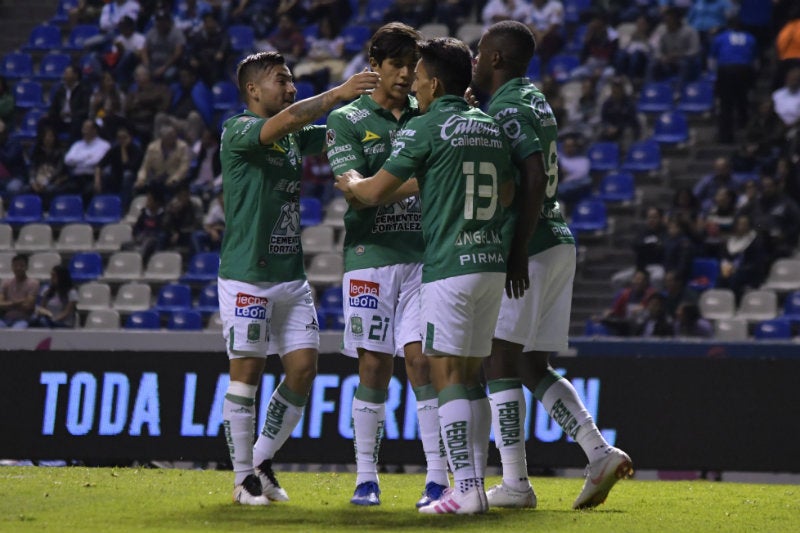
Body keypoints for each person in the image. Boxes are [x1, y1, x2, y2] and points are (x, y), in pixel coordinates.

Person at [336, 37, 516, 515]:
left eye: (418, 78)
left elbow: (372, 193)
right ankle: (470, 484)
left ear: (434, 82)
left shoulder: (424, 127)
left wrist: (353, 182)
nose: (412, 85)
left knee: (445, 373)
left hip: (445, 266)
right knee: (472, 376)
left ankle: (463, 489)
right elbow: (510, 191)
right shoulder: (489, 124)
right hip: (491, 263)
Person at [471, 20, 633, 511]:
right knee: (528, 362)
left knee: (498, 355)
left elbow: (534, 175)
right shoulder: (531, 96)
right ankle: (597, 450)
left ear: (496, 58)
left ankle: (516, 484)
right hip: (557, 238)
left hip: (532, 244)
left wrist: (516, 248)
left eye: (480, 54)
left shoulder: (510, 104)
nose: (476, 62)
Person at [217, 51, 378, 506]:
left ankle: (262, 460)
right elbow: (288, 121)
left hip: (290, 277)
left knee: (303, 370)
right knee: (246, 375)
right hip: (247, 277)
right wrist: (340, 92)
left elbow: (333, 131)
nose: (290, 87)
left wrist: (380, 101)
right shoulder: (239, 129)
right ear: (253, 90)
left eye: (291, 80)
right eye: (281, 80)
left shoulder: (290, 137)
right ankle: (242, 478)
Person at [325, 22, 446, 508]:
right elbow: (357, 201)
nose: (403, 74)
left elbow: (364, 190)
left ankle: (436, 478)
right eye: (395, 64)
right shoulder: (348, 119)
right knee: (374, 365)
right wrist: (421, 179)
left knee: (421, 361)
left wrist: (371, 187)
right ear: (374, 66)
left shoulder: (428, 112)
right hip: (369, 257)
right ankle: (366, 477)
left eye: (410, 66)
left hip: (423, 255)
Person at [709, 18, 758, 144]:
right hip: (744, 70)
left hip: (726, 70)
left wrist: (714, 75)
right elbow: (755, 61)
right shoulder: (750, 38)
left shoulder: (720, 37)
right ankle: (747, 134)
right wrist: (753, 77)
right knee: (743, 102)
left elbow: (712, 60)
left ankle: (726, 137)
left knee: (726, 105)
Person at [63, 119, 111, 202]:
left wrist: (77, 161)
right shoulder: (77, 144)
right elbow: (67, 160)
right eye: (83, 128)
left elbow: (96, 161)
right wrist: (87, 157)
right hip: (76, 177)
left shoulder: (104, 145)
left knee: (88, 191)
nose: (84, 131)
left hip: (93, 177)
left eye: (87, 128)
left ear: (94, 130)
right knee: (63, 190)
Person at [0, 254, 40, 329]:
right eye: (15, 266)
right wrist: (19, 302)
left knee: (18, 330)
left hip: (23, 320)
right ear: (12, 267)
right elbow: (0, 304)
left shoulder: (33, 283)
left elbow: (28, 307)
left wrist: (8, 305)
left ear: (27, 267)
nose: (18, 268)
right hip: (5, 319)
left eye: (21, 266)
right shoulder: (6, 283)